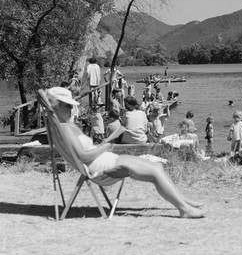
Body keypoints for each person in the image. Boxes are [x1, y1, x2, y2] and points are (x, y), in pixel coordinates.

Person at [45, 86, 203, 219]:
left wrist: (104, 146)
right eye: (67, 105)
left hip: (103, 160)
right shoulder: (65, 129)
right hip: (100, 166)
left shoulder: (60, 125)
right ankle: (184, 209)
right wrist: (106, 145)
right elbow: (83, 156)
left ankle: (183, 201)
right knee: (155, 170)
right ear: (56, 105)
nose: (72, 108)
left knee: (158, 168)